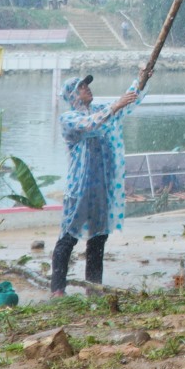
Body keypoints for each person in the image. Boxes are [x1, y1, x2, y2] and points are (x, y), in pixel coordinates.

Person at [52, 74, 142, 296]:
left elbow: (125, 103)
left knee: (98, 237)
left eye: (87, 85)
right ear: (73, 95)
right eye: (82, 87)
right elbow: (91, 123)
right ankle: (57, 290)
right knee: (68, 237)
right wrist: (116, 105)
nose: (87, 89)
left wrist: (141, 79)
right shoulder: (69, 119)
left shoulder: (101, 109)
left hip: (102, 187)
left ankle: (94, 288)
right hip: (80, 189)